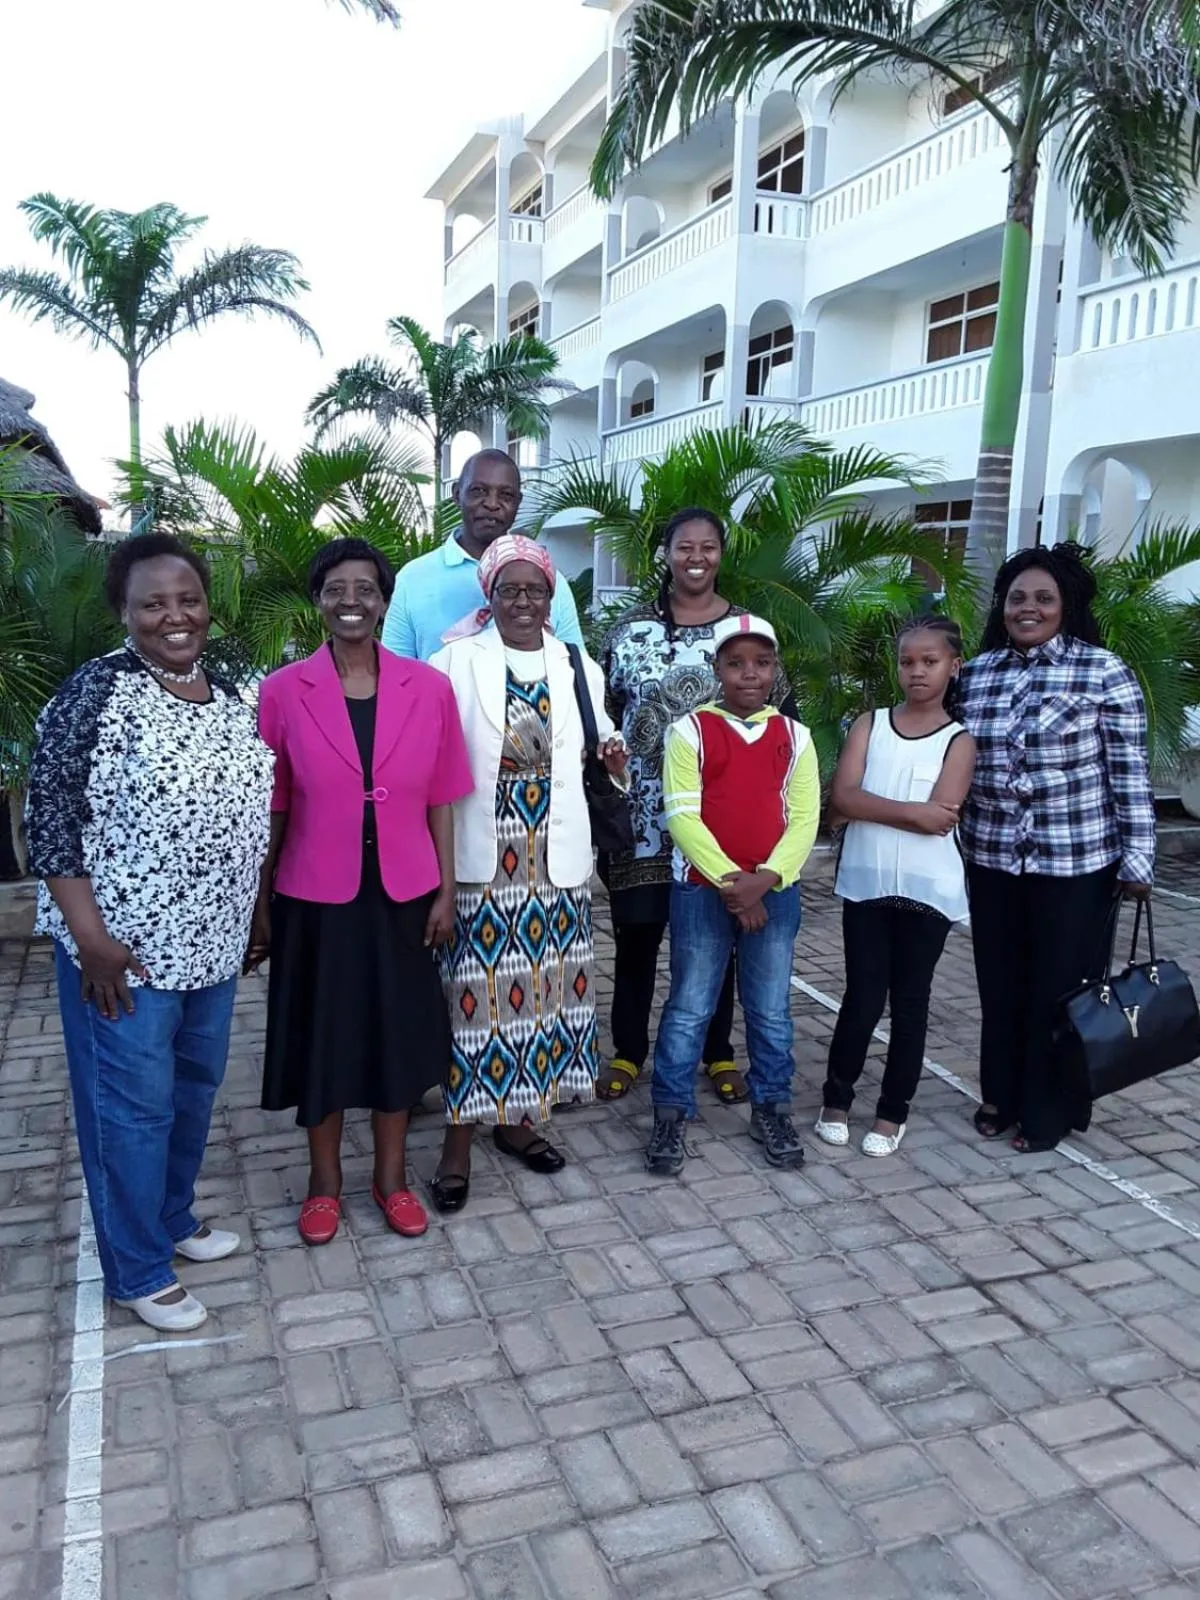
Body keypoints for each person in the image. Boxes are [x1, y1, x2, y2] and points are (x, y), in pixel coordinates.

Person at [25, 534, 275, 1332]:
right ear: (124, 613)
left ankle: (170, 1218)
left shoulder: (229, 692)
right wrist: (90, 938)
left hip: (212, 943)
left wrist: (254, 913)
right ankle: (135, 1267)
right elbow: (51, 820)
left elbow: (247, 817)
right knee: (130, 1110)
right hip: (122, 954)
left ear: (208, 605)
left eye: (188, 599)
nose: (176, 616)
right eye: (154, 603)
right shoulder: (92, 696)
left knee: (192, 1096)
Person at [253, 539, 472, 1244]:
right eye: (336, 590)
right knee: (323, 1038)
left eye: (366, 590)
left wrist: (443, 892)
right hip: (316, 896)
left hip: (406, 892)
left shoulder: (427, 686)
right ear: (318, 600)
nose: (352, 602)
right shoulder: (283, 690)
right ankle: (323, 1184)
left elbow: (442, 798)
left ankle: (391, 1179)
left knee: (395, 1039)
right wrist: (260, 900)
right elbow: (275, 803)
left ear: (384, 601)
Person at [429, 535, 626, 1212]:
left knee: (541, 1001)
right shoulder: (453, 661)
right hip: (484, 863)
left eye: (534, 590)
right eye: (508, 589)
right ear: (489, 595)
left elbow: (595, 747)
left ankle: (517, 1124)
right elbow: (434, 769)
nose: (522, 601)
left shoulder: (578, 664)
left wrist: (614, 754)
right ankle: (458, 1145)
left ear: (550, 597)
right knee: (475, 1008)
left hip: (557, 860)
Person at [958, 542, 1156, 1153]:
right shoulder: (975, 674)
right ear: (1003, 604)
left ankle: (1049, 1109)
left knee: (1062, 990)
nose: (1029, 608)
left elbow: (1129, 773)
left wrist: (1139, 858)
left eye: (1044, 598)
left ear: (1065, 605)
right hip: (992, 859)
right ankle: (1002, 1093)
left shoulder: (1103, 671)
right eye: (1018, 597)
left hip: (1077, 863)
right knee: (1000, 983)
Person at [599, 508, 793, 1106]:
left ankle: (718, 1052)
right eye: (685, 546)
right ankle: (629, 1050)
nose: (696, 558)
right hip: (643, 820)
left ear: (720, 554)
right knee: (637, 938)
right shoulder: (629, 632)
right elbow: (605, 713)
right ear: (667, 553)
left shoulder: (746, 631)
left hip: (723, 825)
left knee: (718, 941)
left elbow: (778, 722)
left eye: (709, 547)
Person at [646, 615, 820, 1177]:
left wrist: (763, 880)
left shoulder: (795, 736)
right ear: (717, 669)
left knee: (770, 1010)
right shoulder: (690, 731)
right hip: (703, 892)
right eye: (736, 663)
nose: (750, 674)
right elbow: (683, 816)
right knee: (691, 1004)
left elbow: (804, 819)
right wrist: (733, 886)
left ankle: (770, 1105)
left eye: (762, 663)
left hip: (775, 893)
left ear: (775, 670)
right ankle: (671, 1110)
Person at [817, 618, 975, 1156]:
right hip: (866, 882)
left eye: (930, 662)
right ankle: (835, 1100)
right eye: (908, 661)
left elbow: (941, 820)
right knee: (862, 997)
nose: (917, 672)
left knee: (910, 1002)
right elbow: (843, 797)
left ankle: (891, 1113)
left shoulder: (959, 740)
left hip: (929, 889)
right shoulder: (871, 723)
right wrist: (910, 811)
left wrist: (871, 805)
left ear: (953, 667)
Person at [381, 448, 584, 661]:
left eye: (506, 495)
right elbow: (394, 675)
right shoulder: (412, 579)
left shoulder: (549, 584)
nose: (492, 504)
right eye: (478, 491)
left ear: (518, 503)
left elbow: (574, 670)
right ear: (457, 494)